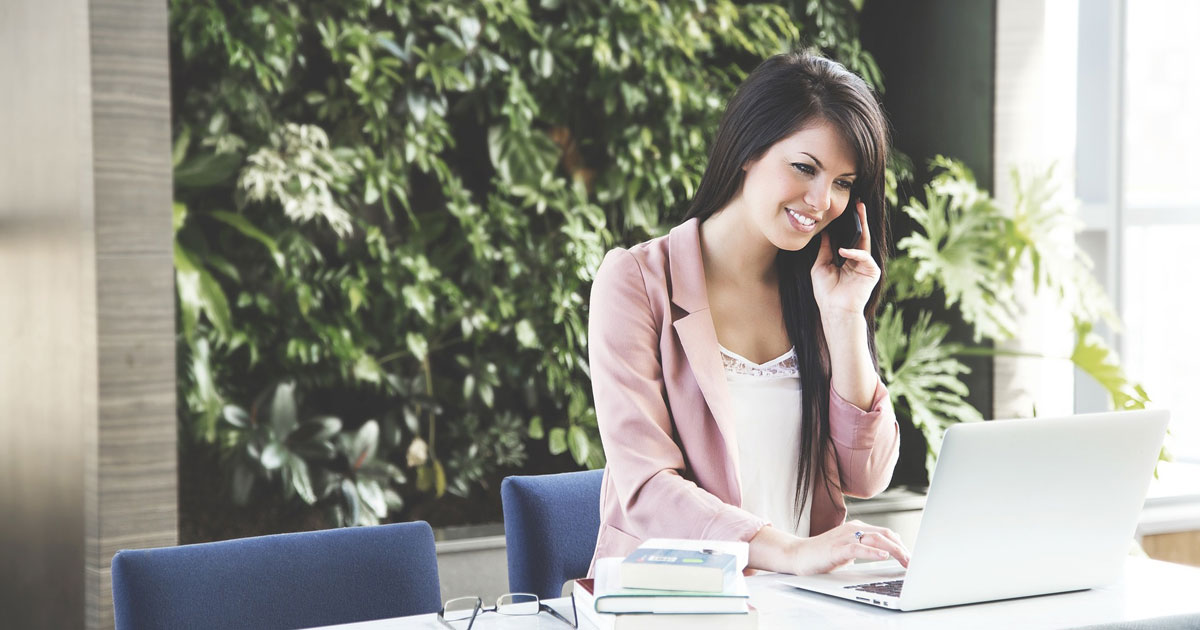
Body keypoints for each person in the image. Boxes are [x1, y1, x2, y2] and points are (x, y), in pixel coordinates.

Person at [587, 51, 911, 577]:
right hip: (678, 599)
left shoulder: (820, 290)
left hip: (800, 603)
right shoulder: (637, 282)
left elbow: (867, 476)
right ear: (747, 151)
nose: (821, 199)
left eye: (844, 182)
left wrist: (846, 321)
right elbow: (645, 486)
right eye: (805, 168)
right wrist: (788, 550)